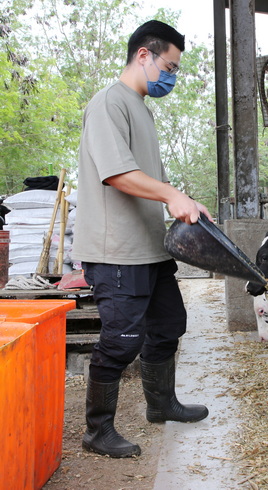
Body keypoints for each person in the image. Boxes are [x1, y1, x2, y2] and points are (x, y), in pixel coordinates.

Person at [73, 20, 212, 458]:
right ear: (143, 55)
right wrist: (172, 194)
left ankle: (161, 405)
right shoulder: (108, 103)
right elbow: (116, 174)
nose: (171, 75)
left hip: (150, 251)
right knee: (121, 341)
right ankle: (98, 431)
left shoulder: (140, 108)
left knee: (170, 326)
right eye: (169, 65)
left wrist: (183, 203)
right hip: (118, 252)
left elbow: (151, 183)